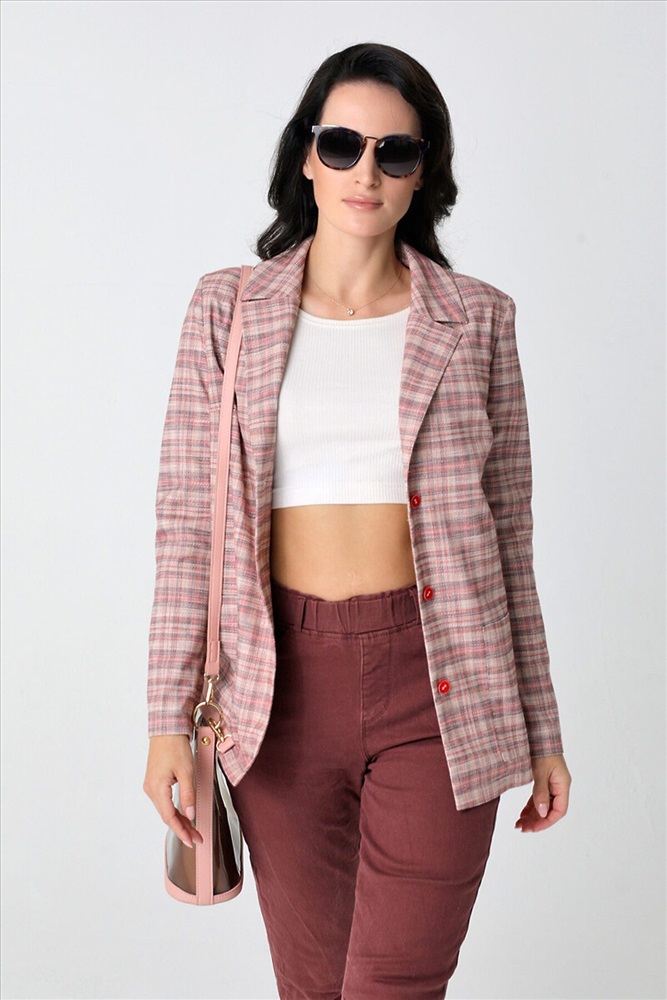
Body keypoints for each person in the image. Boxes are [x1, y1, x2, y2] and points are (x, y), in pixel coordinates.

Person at [143, 41, 572, 1000]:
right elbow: (187, 526)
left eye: (395, 152)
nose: (365, 173)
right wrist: (168, 721)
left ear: (425, 172)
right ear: (305, 156)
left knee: (393, 985)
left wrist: (542, 729)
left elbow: (510, 542)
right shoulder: (227, 309)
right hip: (274, 694)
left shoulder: (478, 320)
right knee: (313, 986)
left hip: (441, 685)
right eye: (341, 145)